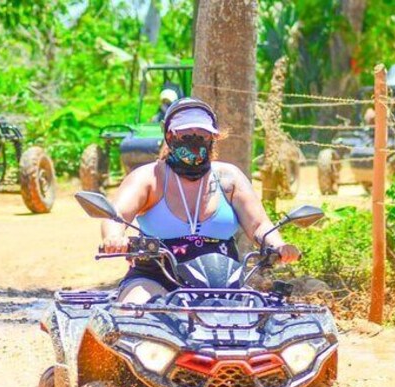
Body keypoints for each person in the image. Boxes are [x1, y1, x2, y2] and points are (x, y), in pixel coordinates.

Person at [102, 97, 301, 303]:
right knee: (136, 312)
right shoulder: (148, 178)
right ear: (169, 135)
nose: (194, 139)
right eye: (185, 133)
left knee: (262, 319)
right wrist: (114, 238)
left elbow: (259, 224)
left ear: (213, 137)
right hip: (155, 279)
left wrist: (278, 246)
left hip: (224, 282)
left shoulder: (229, 178)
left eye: (202, 134)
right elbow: (115, 216)